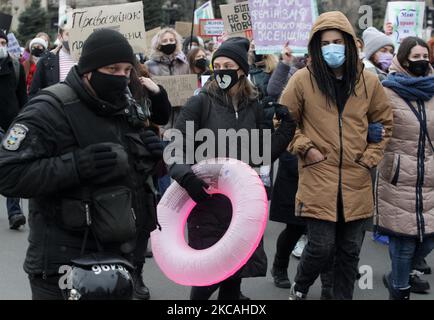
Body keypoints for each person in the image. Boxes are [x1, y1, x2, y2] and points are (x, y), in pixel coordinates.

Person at [0, 29, 170, 300]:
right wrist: (76, 165)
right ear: (88, 69)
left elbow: (127, 173)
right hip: (61, 262)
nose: (121, 77)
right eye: (112, 68)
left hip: (117, 257)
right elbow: (7, 173)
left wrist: (150, 159)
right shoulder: (49, 108)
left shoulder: (125, 107)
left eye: (127, 70)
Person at [168, 37, 296, 300]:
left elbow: (261, 155)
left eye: (228, 64)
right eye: (218, 65)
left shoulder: (254, 104)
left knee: (235, 273)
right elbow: (174, 147)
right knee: (207, 277)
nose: (221, 70)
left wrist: (286, 129)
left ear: (242, 71)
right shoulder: (200, 103)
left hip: (241, 204)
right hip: (207, 200)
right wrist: (186, 177)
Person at [279, 11, 393, 300]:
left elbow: (384, 121)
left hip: (357, 176)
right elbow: (282, 122)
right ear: (317, 46)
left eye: (337, 41)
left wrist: (370, 156)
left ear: (350, 44)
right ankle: (301, 285)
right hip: (318, 175)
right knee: (321, 247)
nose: (332, 47)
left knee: (350, 250)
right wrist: (307, 148)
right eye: (326, 42)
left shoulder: (368, 81)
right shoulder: (302, 80)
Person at [376, 37, 434, 300]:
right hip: (398, 179)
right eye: (416, 57)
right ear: (403, 59)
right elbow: (373, 125)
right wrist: (372, 132)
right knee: (404, 244)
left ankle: (398, 277)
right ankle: (400, 290)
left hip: (430, 180)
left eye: (425, 56)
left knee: (428, 240)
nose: (421, 61)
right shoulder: (387, 91)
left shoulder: (433, 90)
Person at [0, 30, 27, 230]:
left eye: (3, 42)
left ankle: (15, 212)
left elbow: (23, 100)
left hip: (11, 127)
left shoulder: (16, 67)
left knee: (11, 166)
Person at [29, 27, 76, 98]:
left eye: (75, 34)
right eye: (68, 34)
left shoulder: (87, 59)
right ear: (60, 37)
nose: (72, 38)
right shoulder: (45, 61)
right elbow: (34, 92)